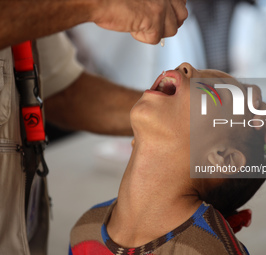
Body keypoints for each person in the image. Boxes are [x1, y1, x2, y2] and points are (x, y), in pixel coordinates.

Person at [0, 1, 188, 255]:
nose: (187, 67)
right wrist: (98, 5)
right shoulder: (87, 229)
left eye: (209, 91)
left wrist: (177, 118)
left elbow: (61, 91)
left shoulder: (86, 231)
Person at [69, 63, 266, 255]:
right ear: (134, 141)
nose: (185, 65)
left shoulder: (209, 251)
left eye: (213, 90)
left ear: (224, 159)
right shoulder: (84, 230)